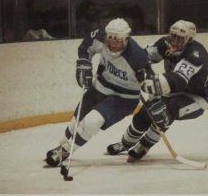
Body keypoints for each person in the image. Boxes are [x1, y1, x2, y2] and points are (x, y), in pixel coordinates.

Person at [45, 18, 149, 167]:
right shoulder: (99, 36)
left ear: (126, 39)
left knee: (92, 120)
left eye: (118, 40)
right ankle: (61, 145)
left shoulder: (138, 56)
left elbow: (150, 81)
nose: (112, 44)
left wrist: (147, 84)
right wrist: (84, 63)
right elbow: (86, 47)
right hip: (100, 87)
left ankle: (65, 151)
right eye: (110, 38)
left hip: (123, 98)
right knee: (76, 122)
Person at [107, 20, 208, 162]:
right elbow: (143, 58)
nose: (174, 41)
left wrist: (150, 82)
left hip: (196, 98)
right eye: (172, 36)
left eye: (179, 38)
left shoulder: (196, 54)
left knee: (168, 110)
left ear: (190, 40)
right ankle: (125, 144)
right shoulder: (164, 44)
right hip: (171, 92)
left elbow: (179, 80)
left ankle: (144, 145)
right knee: (144, 114)